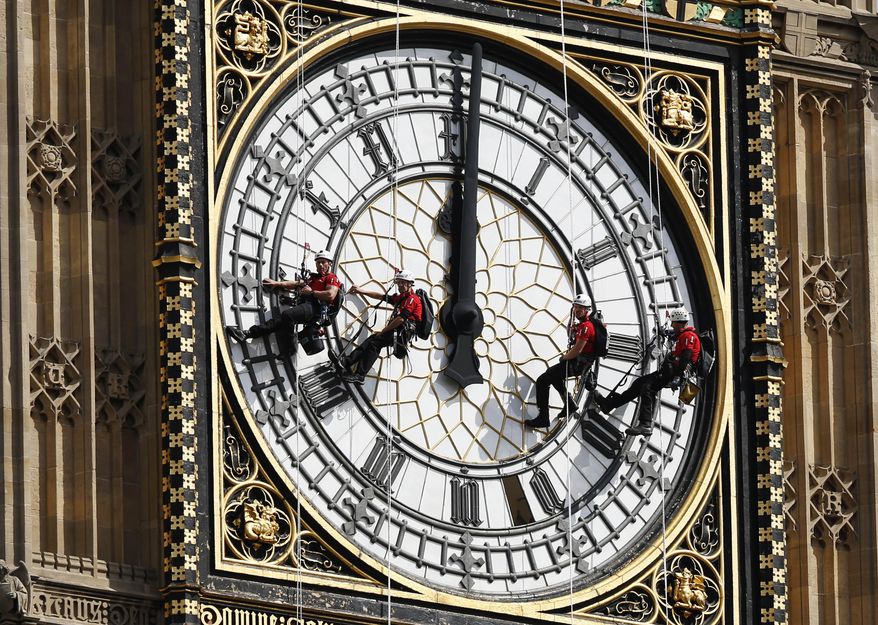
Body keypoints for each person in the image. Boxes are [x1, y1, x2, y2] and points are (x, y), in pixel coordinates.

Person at [591, 307, 701, 435]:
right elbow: (671, 334)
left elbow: (686, 356)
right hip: (669, 371)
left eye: (673, 323)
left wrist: (677, 376)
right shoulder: (682, 335)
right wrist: (664, 332)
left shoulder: (689, 336)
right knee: (639, 383)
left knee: (648, 388)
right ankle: (609, 404)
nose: (672, 325)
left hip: (674, 372)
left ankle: (646, 424)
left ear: (680, 322)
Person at [226, 250, 341, 356]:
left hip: (316, 308)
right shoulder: (313, 278)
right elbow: (295, 284)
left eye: (323, 262)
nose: (320, 265)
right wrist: (277, 283)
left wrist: (311, 292)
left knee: (287, 315)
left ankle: (290, 349)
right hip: (307, 306)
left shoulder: (331, 278)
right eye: (318, 262)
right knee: (278, 321)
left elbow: (330, 294)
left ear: (329, 263)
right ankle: (247, 334)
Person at [525, 294, 596, 429]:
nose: (577, 310)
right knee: (553, 376)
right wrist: (571, 317)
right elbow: (570, 333)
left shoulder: (586, 327)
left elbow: (578, 349)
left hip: (577, 364)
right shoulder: (581, 325)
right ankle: (569, 404)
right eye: (575, 307)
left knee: (543, 380)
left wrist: (564, 357)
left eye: (580, 308)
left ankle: (543, 417)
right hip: (577, 363)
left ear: (587, 310)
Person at [338, 270, 422, 384]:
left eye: (403, 283)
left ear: (410, 284)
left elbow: (401, 318)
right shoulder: (401, 297)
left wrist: (384, 331)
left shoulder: (412, 299)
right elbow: (381, 297)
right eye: (399, 282)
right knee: (372, 340)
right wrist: (361, 291)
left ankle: (360, 375)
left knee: (375, 343)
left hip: (401, 331)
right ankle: (347, 361)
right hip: (397, 330)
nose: (400, 285)